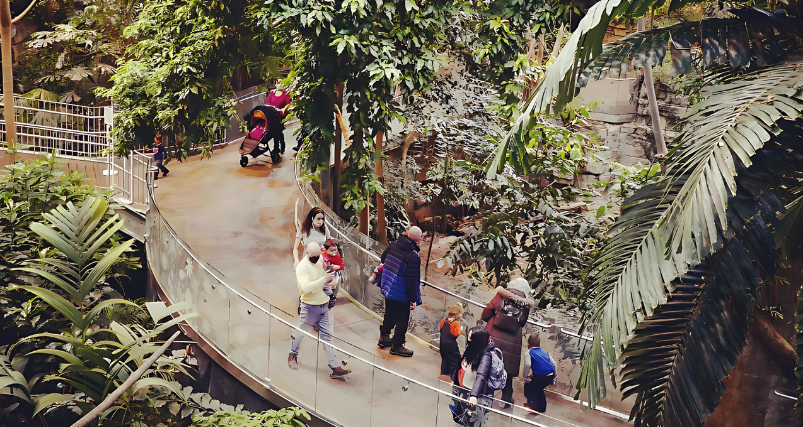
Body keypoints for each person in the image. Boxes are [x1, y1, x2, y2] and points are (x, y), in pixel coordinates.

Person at [288, 242, 351, 379]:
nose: (316, 258)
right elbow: (305, 288)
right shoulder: (302, 268)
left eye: (318, 256)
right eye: (313, 256)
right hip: (310, 306)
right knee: (301, 332)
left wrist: (333, 281)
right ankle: (293, 353)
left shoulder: (321, 259)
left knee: (327, 337)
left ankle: (334, 366)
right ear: (306, 254)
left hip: (325, 306)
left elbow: (331, 274)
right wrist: (324, 280)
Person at [481, 277, 534, 408]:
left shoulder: (500, 296)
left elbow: (485, 315)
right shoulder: (525, 304)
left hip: (493, 338)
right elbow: (522, 322)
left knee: (488, 368)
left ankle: (486, 399)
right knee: (507, 373)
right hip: (512, 342)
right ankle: (505, 401)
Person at [377, 226, 423, 357]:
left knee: (389, 313)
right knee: (402, 319)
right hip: (401, 293)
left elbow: (383, 259)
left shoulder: (393, 245)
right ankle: (397, 345)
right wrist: (413, 299)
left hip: (388, 287)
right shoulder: (413, 256)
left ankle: (384, 337)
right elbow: (411, 280)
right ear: (417, 240)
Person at [451, 326, 494, 427]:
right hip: (464, 388)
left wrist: (474, 395)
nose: (468, 339)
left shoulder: (486, 356)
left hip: (475, 393)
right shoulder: (472, 348)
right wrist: (455, 381)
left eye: (471, 337)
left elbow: (481, 376)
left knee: (471, 420)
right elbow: (461, 365)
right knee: (459, 416)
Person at [522, 334, 556, 413]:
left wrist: (526, 377)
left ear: (528, 345)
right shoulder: (545, 352)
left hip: (541, 376)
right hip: (550, 375)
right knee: (538, 389)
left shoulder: (529, 352)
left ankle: (532, 405)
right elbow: (554, 364)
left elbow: (527, 364)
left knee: (529, 387)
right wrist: (554, 378)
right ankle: (542, 408)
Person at [265, 81, 291, 153]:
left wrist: (282, 110)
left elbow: (288, 104)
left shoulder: (286, 93)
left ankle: (278, 147)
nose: (280, 84)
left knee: (277, 129)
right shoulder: (272, 93)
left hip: (281, 115)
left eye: (281, 82)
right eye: (278, 82)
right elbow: (267, 103)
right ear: (276, 84)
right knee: (275, 130)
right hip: (272, 115)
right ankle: (279, 146)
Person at [439, 304, 464, 379]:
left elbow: (441, 329)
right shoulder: (455, 323)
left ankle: (444, 373)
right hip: (451, 344)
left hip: (442, 343)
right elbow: (455, 334)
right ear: (457, 315)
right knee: (455, 359)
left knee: (445, 358)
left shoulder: (444, 320)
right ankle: (453, 376)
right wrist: (460, 330)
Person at [321, 238, 343, 306]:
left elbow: (340, 266)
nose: (334, 252)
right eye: (331, 250)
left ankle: (332, 298)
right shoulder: (321, 256)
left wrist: (335, 279)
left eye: (335, 250)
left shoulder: (336, 256)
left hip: (333, 274)